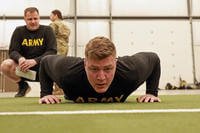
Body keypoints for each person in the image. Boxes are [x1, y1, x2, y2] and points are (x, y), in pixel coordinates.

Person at [39, 36, 161, 104]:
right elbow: (45, 62)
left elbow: (154, 59)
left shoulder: (131, 72)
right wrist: (46, 94)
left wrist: (151, 93)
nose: (101, 77)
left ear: (115, 62)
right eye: (94, 69)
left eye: (108, 69)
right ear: (85, 63)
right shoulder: (67, 73)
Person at [0, 7, 57, 97]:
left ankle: (60, 89)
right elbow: (13, 51)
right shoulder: (19, 31)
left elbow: (52, 51)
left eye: (35, 18)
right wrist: (20, 58)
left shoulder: (47, 30)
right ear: (25, 19)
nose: (33, 21)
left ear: (39, 18)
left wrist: (35, 61)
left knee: (60, 65)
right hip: (25, 70)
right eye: (30, 19)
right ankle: (23, 86)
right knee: (5, 65)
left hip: (44, 69)